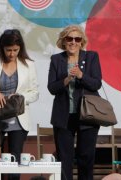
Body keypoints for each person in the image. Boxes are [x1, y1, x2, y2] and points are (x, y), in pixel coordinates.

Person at [0, 29, 39, 180]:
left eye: (15, 50)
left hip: (18, 119)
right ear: (2, 48)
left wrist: (20, 97)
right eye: (8, 50)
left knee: (15, 161)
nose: (12, 54)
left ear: (20, 48)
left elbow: (35, 92)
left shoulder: (29, 65)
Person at [47, 25, 102, 180]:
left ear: (82, 41)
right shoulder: (56, 59)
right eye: (69, 39)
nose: (73, 42)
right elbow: (51, 88)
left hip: (87, 116)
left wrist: (80, 75)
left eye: (77, 39)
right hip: (63, 117)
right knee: (64, 160)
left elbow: (96, 84)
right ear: (63, 41)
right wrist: (66, 79)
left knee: (86, 158)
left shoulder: (91, 57)